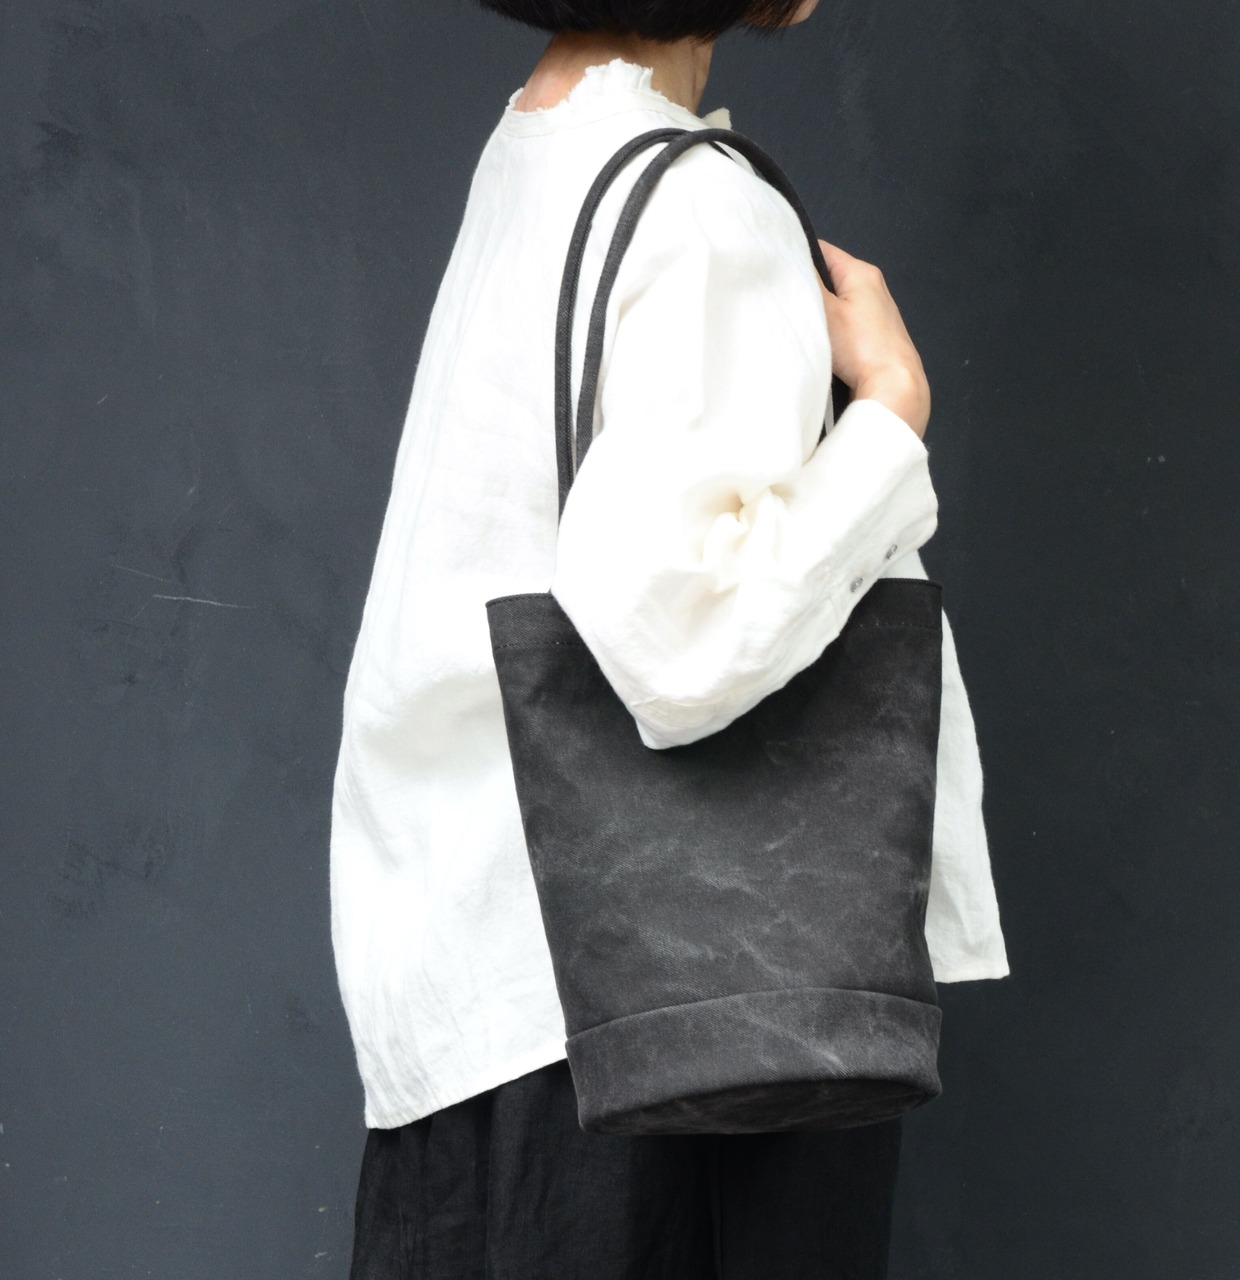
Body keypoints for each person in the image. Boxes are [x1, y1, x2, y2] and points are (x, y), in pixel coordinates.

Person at [332, 2, 1010, 1275]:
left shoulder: (537, 152)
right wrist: (890, 412)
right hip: (669, 1033)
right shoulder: (697, 207)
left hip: (489, 993)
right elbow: (681, 638)